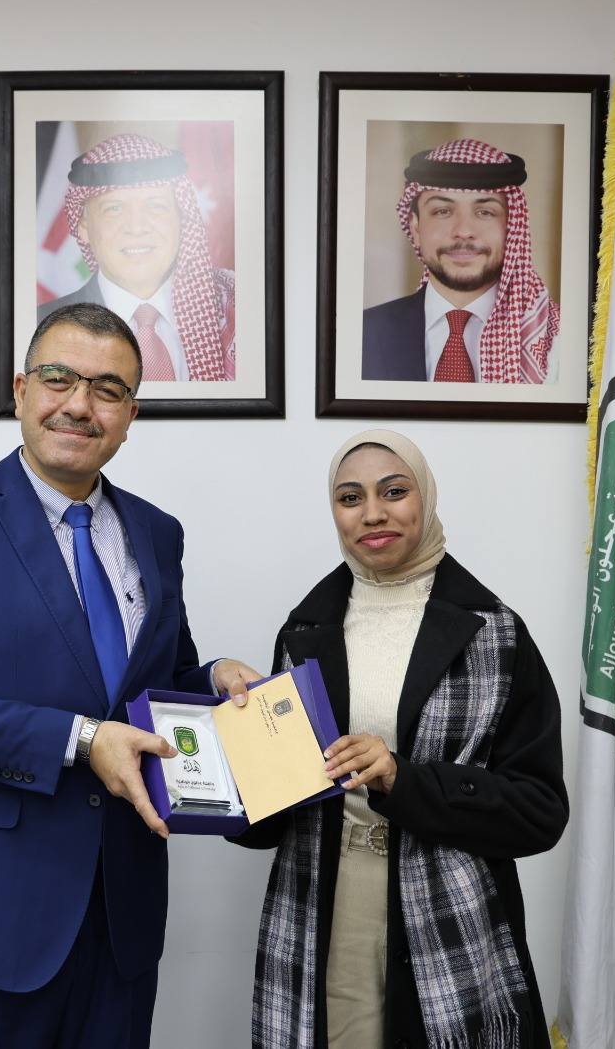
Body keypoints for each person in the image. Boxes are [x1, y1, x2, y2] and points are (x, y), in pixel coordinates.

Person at [0, 302, 260, 1048]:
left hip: (121, 912)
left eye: (108, 389)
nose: (80, 404)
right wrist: (82, 739)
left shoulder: (158, 532)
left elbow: (154, 682)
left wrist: (212, 680)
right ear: (20, 391)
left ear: (130, 415)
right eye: (58, 378)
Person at [231, 429, 566, 1049]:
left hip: (450, 912)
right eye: (350, 497)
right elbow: (276, 805)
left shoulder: (496, 634)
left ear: (426, 497)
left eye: (394, 491)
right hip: (325, 901)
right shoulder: (305, 630)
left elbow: (539, 813)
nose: (372, 513)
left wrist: (402, 778)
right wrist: (225, 776)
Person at [37, 133, 236, 381]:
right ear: (83, 226)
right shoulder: (40, 327)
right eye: (114, 208)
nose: (137, 227)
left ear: (181, 219)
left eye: (155, 206)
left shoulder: (237, 312)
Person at [361, 138, 560, 385]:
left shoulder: (557, 341)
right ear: (415, 228)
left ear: (512, 227)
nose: (463, 231)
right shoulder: (362, 334)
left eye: (485, 212)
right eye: (442, 212)